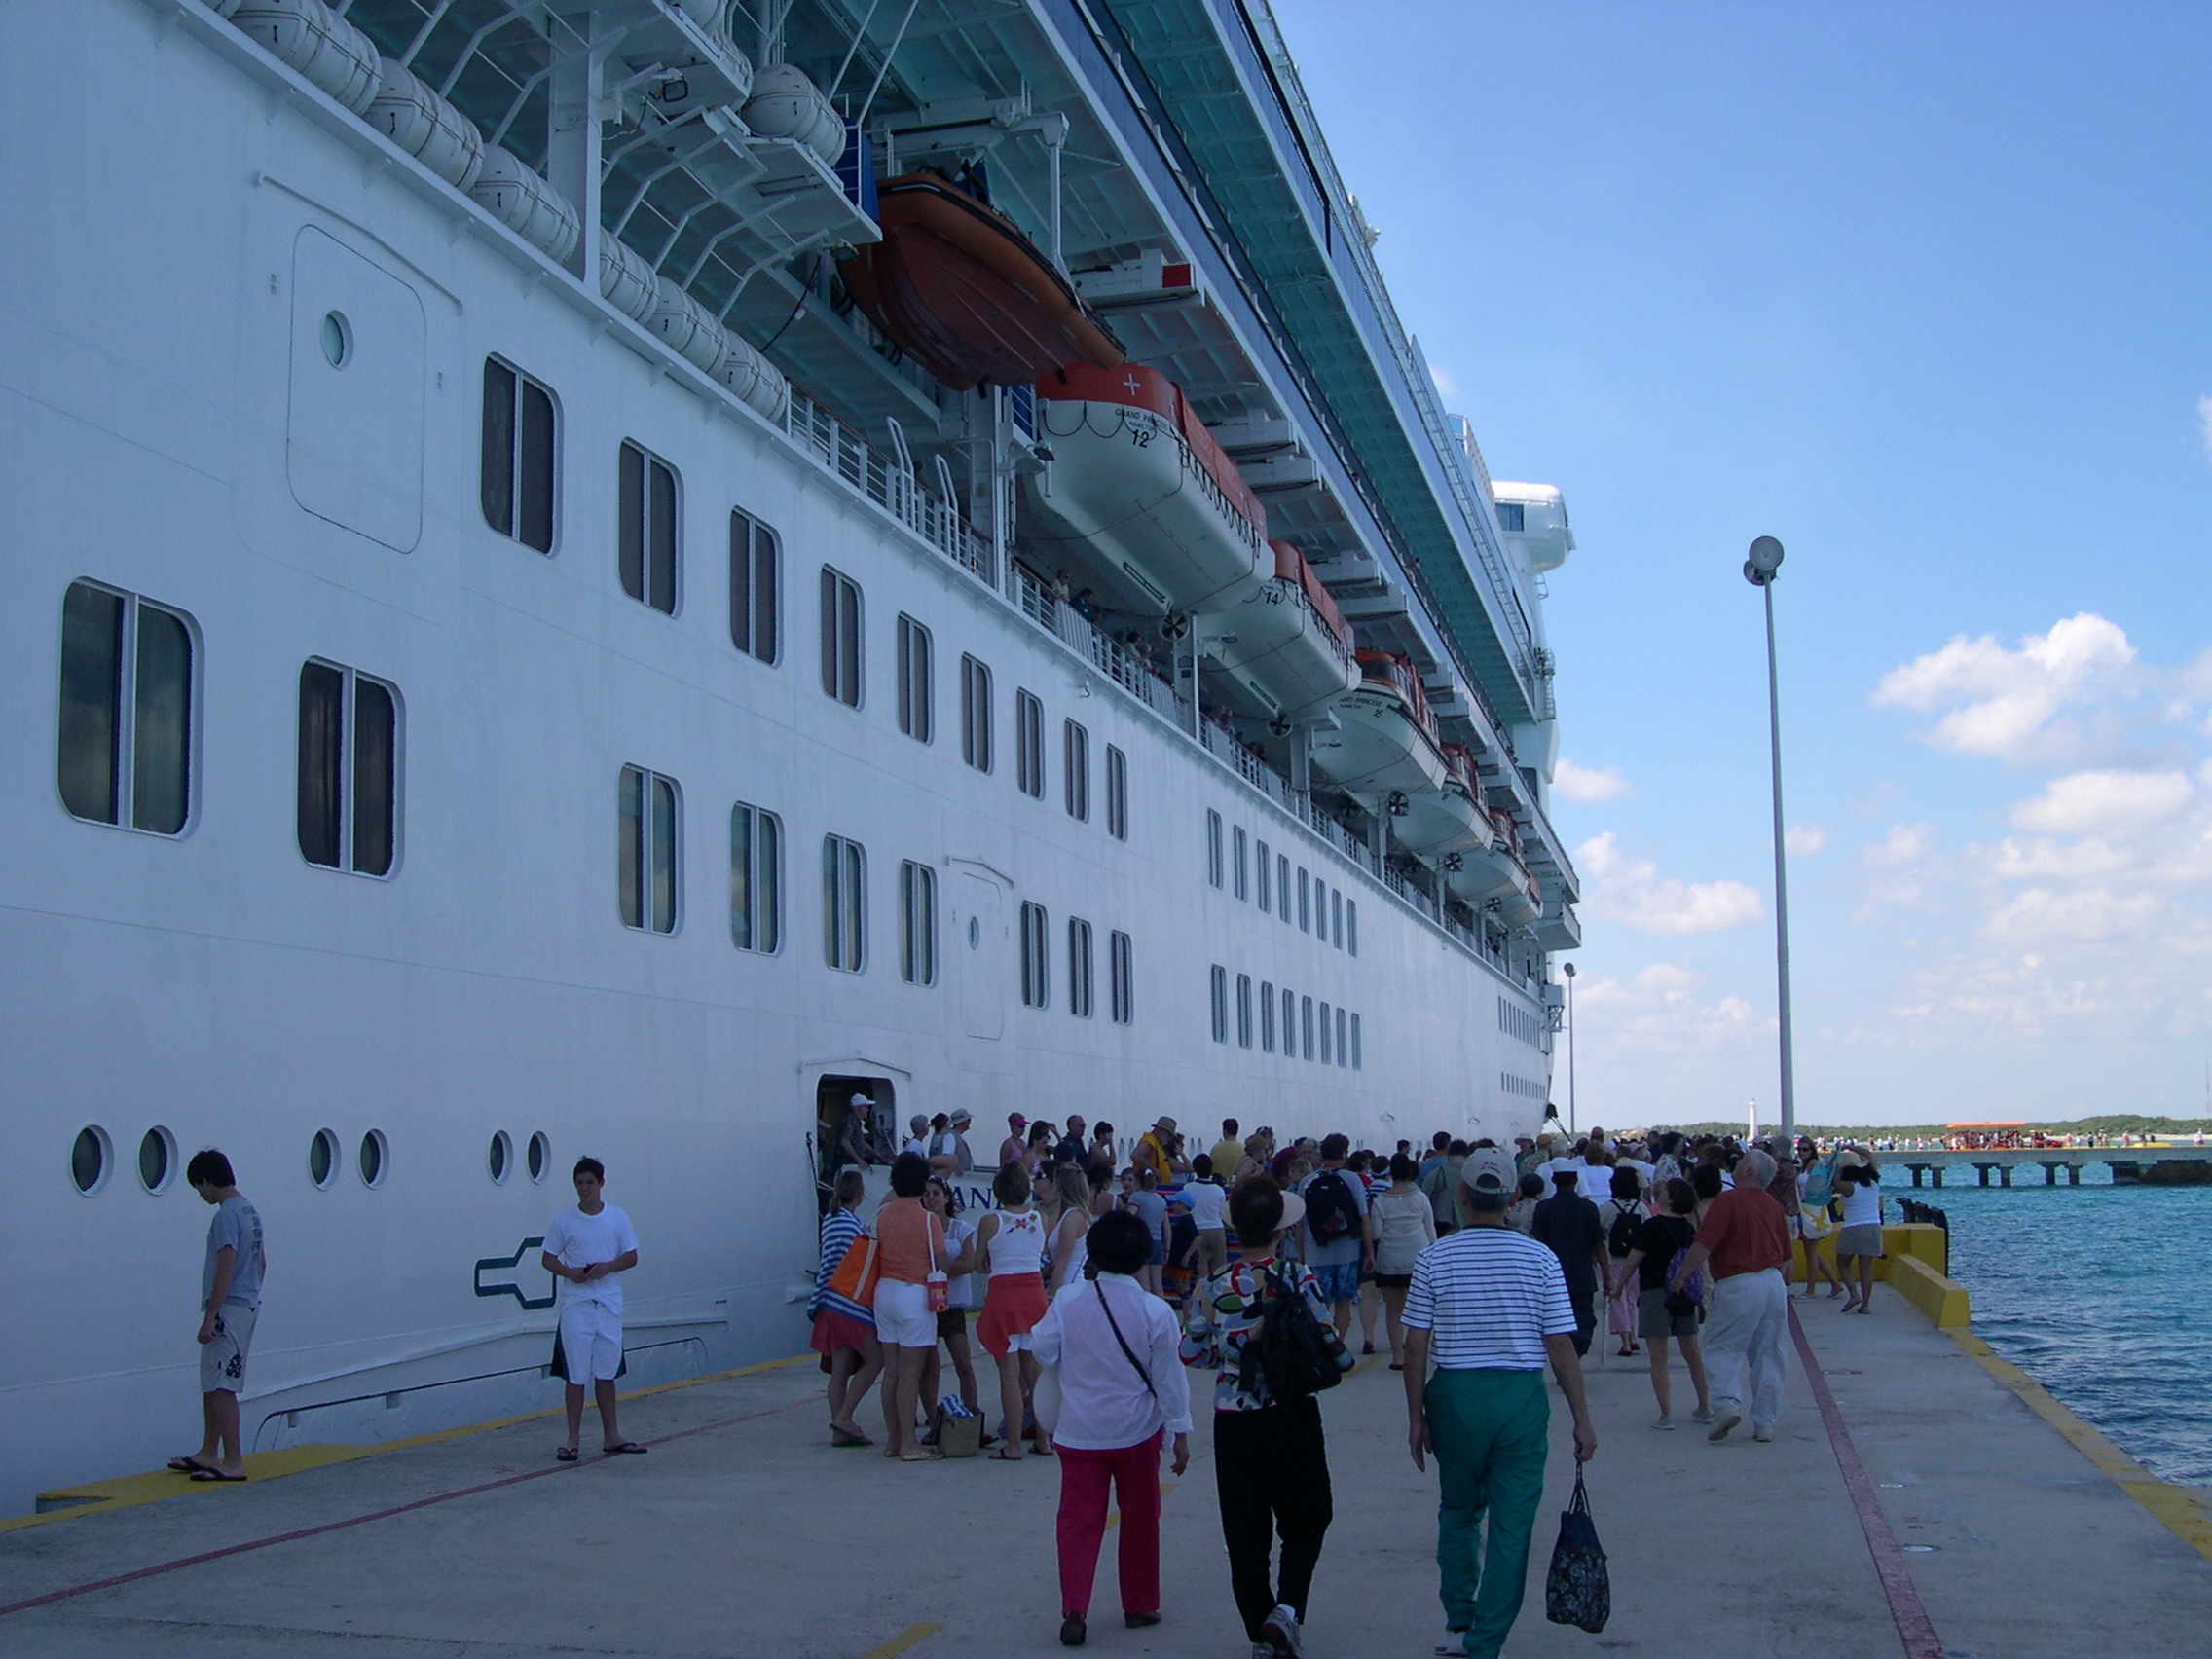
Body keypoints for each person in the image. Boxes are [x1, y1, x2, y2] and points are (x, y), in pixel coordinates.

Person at [1403, 1146, 1596, 1659]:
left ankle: (1458, 1623)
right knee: (1513, 1524)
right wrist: (1582, 1420)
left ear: (1461, 1196)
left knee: (1459, 1510)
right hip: (1519, 1396)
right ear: (1513, 1196)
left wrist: (1415, 1416)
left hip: (1455, 1394)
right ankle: (1487, 1641)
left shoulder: (1434, 1257)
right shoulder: (1540, 1258)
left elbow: (1416, 1341)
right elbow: (1560, 1345)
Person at [1181, 1178, 1335, 1659]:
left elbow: (1191, 1352)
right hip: (1290, 1411)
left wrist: (1230, 1354)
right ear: (1279, 1228)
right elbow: (1325, 1334)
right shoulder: (1299, 1276)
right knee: (1309, 1515)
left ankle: (1259, 1632)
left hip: (1234, 1418)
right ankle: (1286, 1611)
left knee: (1245, 1532)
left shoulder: (1212, 1284)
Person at [1031, 1210, 1194, 1647]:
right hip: (1137, 1433)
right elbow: (1168, 1380)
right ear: (1144, 1256)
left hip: (1078, 1432)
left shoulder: (1067, 1301)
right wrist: (1179, 1433)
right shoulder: (1156, 1311)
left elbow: (1043, 1349)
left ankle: (1074, 1607)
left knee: (1077, 1522)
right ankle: (1139, 1604)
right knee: (1141, 1518)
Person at [1669, 1145, 1790, 1443]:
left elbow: (1703, 1246)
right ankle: (1765, 1422)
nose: (1736, 1165)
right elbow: (1787, 1257)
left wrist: (1681, 1276)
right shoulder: (1774, 1206)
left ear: (1748, 1171)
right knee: (1769, 1353)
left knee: (1722, 1347)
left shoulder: (1728, 1201)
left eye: (1741, 1162)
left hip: (1738, 1282)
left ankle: (1725, 1405)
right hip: (1772, 1281)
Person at [540, 1157, 645, 1461]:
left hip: (609, 1303)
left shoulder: (617, 1218)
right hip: (577, 1304)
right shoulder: (564, 1221)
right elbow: (548, 1258)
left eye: (589, 1182)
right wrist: (571, 1273)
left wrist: (607, 1267)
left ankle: (611, 1435)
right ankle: (573, 1439)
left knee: (606, 1371)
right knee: (575, 1372)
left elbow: (632, 1255)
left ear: (601, 1183)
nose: (584, 1188)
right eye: (579, 1183)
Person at [169, 1150, 265, 1482]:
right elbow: (262, 1262)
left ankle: (232, 1460)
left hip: (229, 1309)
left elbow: (225, 1265)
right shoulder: (249, 1211)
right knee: (212, 1382)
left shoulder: (225, 1216)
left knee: (222, 1386)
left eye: (199, 1187)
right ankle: (209, 1452)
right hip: (246, 1304)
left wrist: (210, 1316)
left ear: (208, 1180)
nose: (200, 1194)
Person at [1608, 1176, 1711, 1429]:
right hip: (1684, 1294)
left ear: (1670, 1198)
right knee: (1692, 1351)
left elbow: (1633, 1260)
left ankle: (1665, 1414)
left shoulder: (1652, 1226)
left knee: (1658, 1356)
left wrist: (1619, 1287)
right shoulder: (1689, 1228)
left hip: (1655, 1292)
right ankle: (1704, 1406)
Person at [869, 1151, 948, 1461]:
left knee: (891, 1372)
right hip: (914, 1295)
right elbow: (941, 1263)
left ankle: (892, 1439)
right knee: (911, 1374)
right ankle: (909, 1444)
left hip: (884, 1292)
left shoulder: (882, 1214)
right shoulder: (928, 1220)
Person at [976, 1161, 1052, 1458]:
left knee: (1009, 1373)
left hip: (1004, 1297)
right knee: (1035, 1373)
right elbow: (1042, 1252)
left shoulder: (990, 1221)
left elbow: (978, 1264)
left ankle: (1014, 1444)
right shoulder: (1040, 1217)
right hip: (1034, 1295)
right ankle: (1044, 1439)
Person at [808, 1168, 884, 1447]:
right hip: (849, 1305)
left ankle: (839, 1430)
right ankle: (844, 1417)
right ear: (861, 1194)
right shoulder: (853, 1228)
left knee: (840, 1369)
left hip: (828, 1303)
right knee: (876, 1360)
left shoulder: (831, 1219)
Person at [920, 1176, 981, 1433]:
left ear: (946, 1197)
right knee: (929, 1366)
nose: (931, 1198)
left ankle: (972, 1416)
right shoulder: (920, 1228)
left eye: (936, 1193)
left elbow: (970, 1263)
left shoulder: (961, 1229)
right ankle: (933, 1422)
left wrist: (940, 1271)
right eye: (926, 1194)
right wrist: (949, 1269)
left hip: (953, 1305)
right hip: (926, 1305)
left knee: (963, 1363)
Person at [1299, 1134, 1374, 1341]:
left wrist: (1301, 1256)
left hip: (1316, 1254)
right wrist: (1369, 1251)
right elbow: (1363, 1219)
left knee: (1319, 1305)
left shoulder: (1307, 1182)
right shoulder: (1352, 1180)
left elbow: (1300, 1224)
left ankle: (1321, 1346)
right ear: (1343, 1154)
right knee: (1343, 1304)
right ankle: (1338, 1346)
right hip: (1346, 1255)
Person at [1530, 1168, 1607, 1358]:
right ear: (1575, 1181)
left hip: (1552, 1276)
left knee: (1553, 1320)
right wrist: (1608, 1275)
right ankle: (1575, 1355)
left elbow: (1537, 1245)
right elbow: (1598, 1244)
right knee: (1583, 1319)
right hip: (1582, 1275)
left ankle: (1562, 1357)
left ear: (1554, 1180)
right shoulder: (1588, 1208)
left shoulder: (1544, 1208)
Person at [1369, 1153, 1437, 1370]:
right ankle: (1418, 1350)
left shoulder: (1380, 1201)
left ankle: (1398, 1356)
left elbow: (1376, 1233)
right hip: (1418, 1254)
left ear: (1390, 1173)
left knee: (1393, 1309)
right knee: (1422, 1307)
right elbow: (1431, 1231)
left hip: (1390, 1257)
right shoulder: (1420, 1198)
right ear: (1410, 1172)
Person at [1597, 1167, 1647, 1359]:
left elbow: (1599, 1233)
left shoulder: (1607, 1208)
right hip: (1636, 1260)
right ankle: (1633, 1335)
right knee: (1632, 1299)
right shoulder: (1641, 1207)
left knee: (1618, 1298)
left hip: (1614, 1259)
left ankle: (1625, 1341)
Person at [1834, 1150, 1885, 1314]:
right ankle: (1866, 1305)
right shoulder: (1873, 1181)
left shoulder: (1848, 1186)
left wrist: (1836, 1162)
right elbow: (1869, 1155)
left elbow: (1831, 1178)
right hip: (1873, 1227)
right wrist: (1853, 1147)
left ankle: (1854, 1294)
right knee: (1866, 1268)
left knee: (1842, 1264)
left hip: (1852, 1227)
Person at [1047, 1162, 1097, 1295]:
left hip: (1067, 1285)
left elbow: (1062, 1263)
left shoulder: (1072, 1218)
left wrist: (1051, 1295)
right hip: (1069, 1282)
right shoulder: (1072, 1215)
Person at [1123, 1167, 1169, 1297]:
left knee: (1144, 1286)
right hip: (1157, 1243)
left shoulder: (1136, 1198)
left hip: (1141, 1243)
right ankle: (1161, 1313)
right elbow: (1166, 1226)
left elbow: (1128, 1218)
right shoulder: (1161, 1200)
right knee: (1158, 1286)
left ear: (1137, 1181)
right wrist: (1167, 1249)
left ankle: (1145, 1314)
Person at [1184, 1154, 1230, 1283]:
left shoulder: (1188, 1188)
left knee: (1201, 1267)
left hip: (1197, 1230)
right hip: (1216, 1228)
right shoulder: (1218, 1190)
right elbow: (1221, 1211)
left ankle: (1201, 1297)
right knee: (1219, 1269)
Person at [835, 1093, 878, 1169]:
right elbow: (844, 1141)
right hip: (846, 1163)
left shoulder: (857, 1122)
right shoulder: (851, 1120)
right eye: (866, 1107)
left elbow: (862, 1143)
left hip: (851, 1162)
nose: (867, 1110)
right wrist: (859, 1160)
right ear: (859, 1108)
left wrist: (880, 1157)